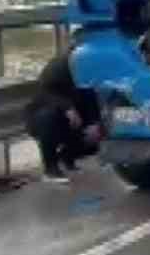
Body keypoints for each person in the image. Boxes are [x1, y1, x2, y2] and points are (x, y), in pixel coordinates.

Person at [25, 52, 104, 183]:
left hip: (75, 118)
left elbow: (91, 96)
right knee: (47, 118)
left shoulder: (88, 71)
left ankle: (67, 157)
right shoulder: (57, 67)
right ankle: (50, 168)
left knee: (98, 133)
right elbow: (45, 93)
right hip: (47, 115)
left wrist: (94, 123)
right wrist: (67, 108)